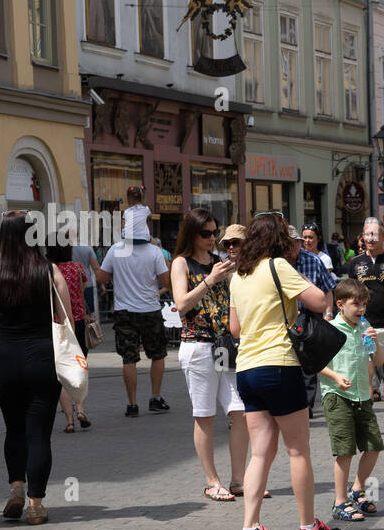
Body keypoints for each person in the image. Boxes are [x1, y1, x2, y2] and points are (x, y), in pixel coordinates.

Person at [228, 213, 341, 530]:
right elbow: (321, 302)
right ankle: (308, 527)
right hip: (279, 365)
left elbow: (235, 329)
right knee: (297, 450)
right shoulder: (278, 267)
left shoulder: (240, 275)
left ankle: (250, 529)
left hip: (246, 369)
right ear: (279, 240)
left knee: (260, 452)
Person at [0, 212, 69, 526]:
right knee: (39, 432)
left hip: (4, 356)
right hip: (42, 356)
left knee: (13, 428)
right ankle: (36, 504)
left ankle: (16, 488)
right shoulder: (49, 271)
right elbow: (64, 319)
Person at [170, 208, 250, 502]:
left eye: (215, 232)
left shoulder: (221, 263)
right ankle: (212, 481)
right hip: (198, 344)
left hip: (224, 345)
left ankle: (239, 480)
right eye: (206, 233)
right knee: (205, 415)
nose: (213, 238)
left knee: (240, 411)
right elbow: (181, 304)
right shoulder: (181, 263)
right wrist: (210, 280)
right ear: (192, 234)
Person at [318, 279, 384, 522]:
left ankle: (357, 490)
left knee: (374, 445)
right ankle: (340, 502)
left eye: (364, 304)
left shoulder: (364, 327)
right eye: (356, 304)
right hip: (337, 396)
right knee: (345, 451)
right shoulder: (331, 329)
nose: (361, 309)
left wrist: (374, 340)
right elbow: (316, 363)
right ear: (340, 304)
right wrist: (335, 376)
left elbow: (377, 362)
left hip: (362, 396)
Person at [97, 212, 171, 417]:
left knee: (128, 358)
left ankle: (132, 404)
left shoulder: (115, 250)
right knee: (158, 354)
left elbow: (100, 277)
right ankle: (155, 397)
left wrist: (113, 273)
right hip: (150, 310)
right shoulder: (154, 252)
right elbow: (168, 282)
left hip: (124, 312)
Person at [345, 218, 384, 433]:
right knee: (365, 371)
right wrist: (354, 321)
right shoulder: (356, 263)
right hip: (366, 326)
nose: (370, 238)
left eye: (375, 234)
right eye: (367, 234)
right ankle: (366, 414)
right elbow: (351, 294)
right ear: (363, 237)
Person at [288, 224, 338, 418]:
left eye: (294, 243)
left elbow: (327, 289)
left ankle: (306, 405)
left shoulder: (314, 261)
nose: (290, 248)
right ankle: (294, 401)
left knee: (309, 363)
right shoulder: (278, 264)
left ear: (299, 244)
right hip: (287, 318)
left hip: (309, 317)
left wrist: (328, 314)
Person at [48, 242, 92, 432]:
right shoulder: (76, 268)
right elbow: (83, 288)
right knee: (78, 365)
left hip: (57, 324)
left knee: (61, 371)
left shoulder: (49, 271)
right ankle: (81, 409)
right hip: (78, 321)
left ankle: (69, 421)